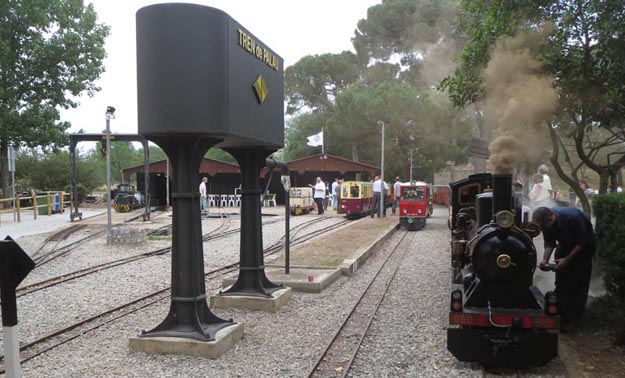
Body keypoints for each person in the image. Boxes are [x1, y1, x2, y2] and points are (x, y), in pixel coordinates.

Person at [532, 206, 595, 333]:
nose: (543, 229)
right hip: (565, 246)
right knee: (561, 282)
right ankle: (559, 313)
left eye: (544, 226)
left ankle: (571, 320)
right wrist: (545, 260)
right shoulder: (545, 223)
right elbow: (550, 242)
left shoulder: (573, 218)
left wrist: (567, 260)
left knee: (577, 284)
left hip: (583, 249)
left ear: (551, 218)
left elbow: (583, 241)